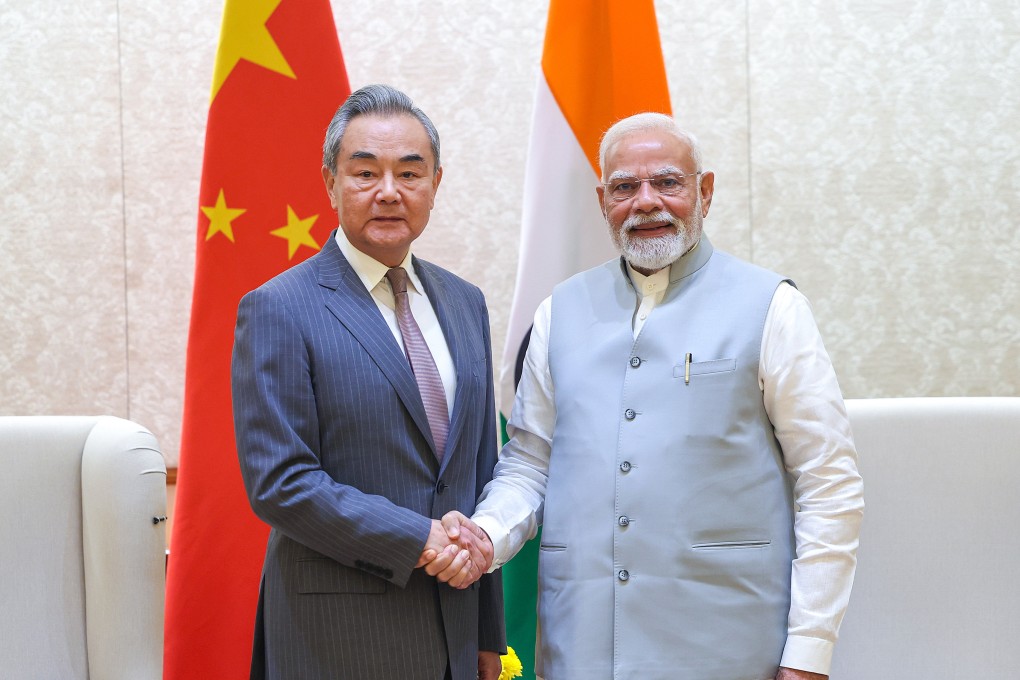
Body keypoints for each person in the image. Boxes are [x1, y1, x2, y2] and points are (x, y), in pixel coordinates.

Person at [432, 113, 864, 679]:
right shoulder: (559, 311)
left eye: (668, 182)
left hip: (727, 648)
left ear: (704, 192)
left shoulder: (773, 307)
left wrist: (810, 651)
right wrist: (486, 535)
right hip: (580, 645)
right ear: (602, 199)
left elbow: (828, 481)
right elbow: (530, 465)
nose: (646, 202)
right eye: (624, 187)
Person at [232, 84, 505, 680]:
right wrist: (419, 539)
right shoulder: (279, 307)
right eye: (365, 172)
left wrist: (488, 631)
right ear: (330, 182)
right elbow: (280, 483)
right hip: (336, 639)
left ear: (436, 183)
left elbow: (479, 469)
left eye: (410, 172)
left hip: (456, 634)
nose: (388, 192)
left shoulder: (465, 303)